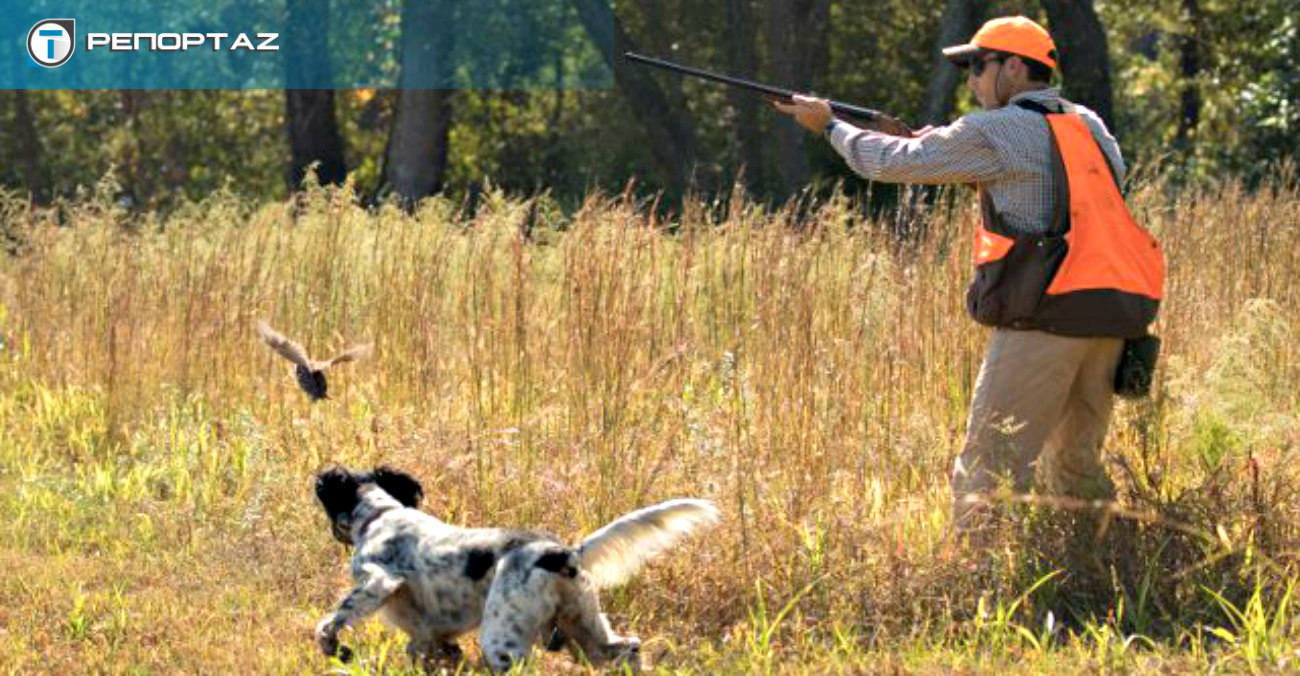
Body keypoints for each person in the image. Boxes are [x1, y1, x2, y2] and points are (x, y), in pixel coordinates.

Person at [772, 16, 1164, 532]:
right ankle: (1103, 566)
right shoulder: (1089, 125)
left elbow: (886, 163)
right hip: (1111, 318)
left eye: (979, 66)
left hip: (1044, 320)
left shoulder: (995, 128)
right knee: (1075, 467)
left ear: (1016, 68)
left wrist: (829, 125)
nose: (972, 80)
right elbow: (1049, 191)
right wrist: (936, 144)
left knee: (988, 470)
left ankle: (978, 591)